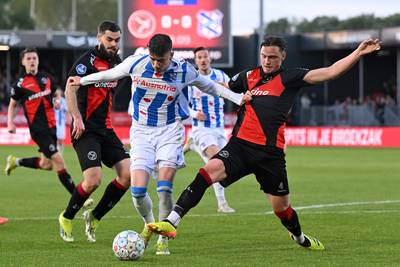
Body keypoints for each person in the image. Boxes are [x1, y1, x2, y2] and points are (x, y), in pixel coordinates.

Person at [146, 37, 381, 251]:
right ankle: (170, 222)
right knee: (206, 173)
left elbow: (329, 72)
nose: (267, 61)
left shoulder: (291, 78)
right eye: (264, 56)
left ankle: (300, 238)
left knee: (282, 209)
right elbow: (221, 88)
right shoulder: (247, 76)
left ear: (283, 57)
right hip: (240, 146)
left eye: (273, 57)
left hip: (270, 155)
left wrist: (357, 53)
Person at [67, 33, 250, 255]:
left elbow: (209, 86)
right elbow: (112, 73)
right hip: (141, 132)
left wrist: (238, 99)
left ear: (171, 55)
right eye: (153, 59)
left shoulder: (184, 70)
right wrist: (83, 80)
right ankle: (149, 225)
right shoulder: (137, 62)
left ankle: (162, 240)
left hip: (170, 131)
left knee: (164, 189)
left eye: (161, 60)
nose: (156, 64)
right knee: (137, 191)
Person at [58, 21, 131, 243]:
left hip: (107, 130)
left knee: (128, 175)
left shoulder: (117, 62)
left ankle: (95, 217)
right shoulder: (85, 63)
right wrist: (77, 118)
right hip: (85, 130)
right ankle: (66, 217)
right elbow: (70, 87)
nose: (113, 44)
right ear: (99, 37)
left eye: (117, 40)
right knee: (93, 180)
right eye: (109, 39)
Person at [5, 48, 77, 197]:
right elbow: (12, 104)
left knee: (46, 164)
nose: (32, 61)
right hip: (38, 130)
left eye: (34, 58)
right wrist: (10, 123)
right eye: (29, 58)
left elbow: (56, 92)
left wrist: (57, 101)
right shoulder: (19, 84)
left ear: (38, 60)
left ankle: (15, 162)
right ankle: (78, 197)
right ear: (23, 62)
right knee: (58, 160)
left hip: (52, 126)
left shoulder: (46, 78)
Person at [183, 46, 235, 213]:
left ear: (210, 58)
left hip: (219, 129)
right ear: (195, 61)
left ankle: (192, 145)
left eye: (205, 56)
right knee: (216, 161)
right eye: (199, 57)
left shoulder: (220, 76)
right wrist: (194, 114)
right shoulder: (192, 80)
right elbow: (182, 105)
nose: (203, 60)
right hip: (202, 129)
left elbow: (232, 90)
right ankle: (222, 204)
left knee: (220, 167)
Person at [53, 88, 68, 154]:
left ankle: (60, 153)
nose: (58, 94)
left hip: (61, 122)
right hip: (53, 121)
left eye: (59, 93)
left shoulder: (64, 101)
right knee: (54, 138)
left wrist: (68, 118)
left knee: (60, 139)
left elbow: (67, 110)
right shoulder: (53, 100)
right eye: (56, 93)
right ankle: (56, 153)